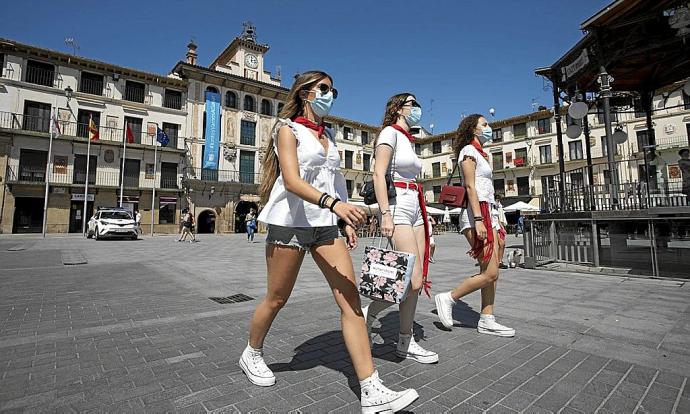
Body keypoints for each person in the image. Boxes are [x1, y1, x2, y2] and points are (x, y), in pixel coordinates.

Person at [239, 71, 418, 413]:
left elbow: (335, 182)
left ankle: (371, 390)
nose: (330, 94)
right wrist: (334, 205)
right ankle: (252, 351)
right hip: (290, 223)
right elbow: (291, 180)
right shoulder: (286, 130)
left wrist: (341, 218)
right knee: (277, 298)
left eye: (333, 90)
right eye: (323, 89)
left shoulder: (329, 135)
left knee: (350, 301)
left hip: (324, 226)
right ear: (305, 93)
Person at [364, 93, 439, 364]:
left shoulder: (408, 139)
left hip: (416, 204)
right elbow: (378, 173)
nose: (418, 108)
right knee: (413, 278)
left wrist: (427, 215)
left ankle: (405, 342)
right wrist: (384, 213)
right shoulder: (389, 133)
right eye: (413, 104)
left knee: (416, 283)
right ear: (399, 108)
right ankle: (370, 313)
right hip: (397, 205)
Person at [434, 113, 514, 337]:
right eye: (485, 124)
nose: (489, 128)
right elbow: (470, 187)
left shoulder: (482, 154)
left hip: (490, 212)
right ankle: (449, 298)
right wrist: (479, 219)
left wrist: (495, 219)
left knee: (492, 270)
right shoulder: (468, 151)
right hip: (476, 214)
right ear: (473, 129)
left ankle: (487, 318)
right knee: (490, 272)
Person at [495, 194, 508, 269]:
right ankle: (497, 261)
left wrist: (502, 227)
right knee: (498, 244)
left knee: (502, 244)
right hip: (492, 226)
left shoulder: (497, 207)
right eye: (498, 200)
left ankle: (499, 261)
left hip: (497, 225)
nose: (498, 201)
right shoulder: (491, 205)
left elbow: (496, 217)